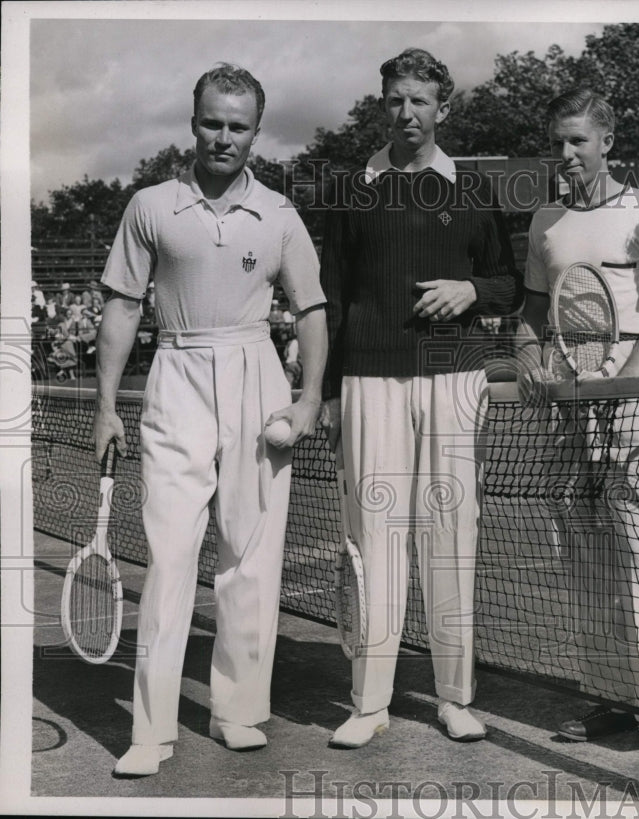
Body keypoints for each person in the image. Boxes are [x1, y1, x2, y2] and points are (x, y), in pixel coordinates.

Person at [92, 63, 328, 777]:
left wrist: (310, 397)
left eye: (238, 125)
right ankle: (151, 726)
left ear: (257, 131)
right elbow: (124, 307)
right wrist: (105, 404)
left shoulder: (282, 214)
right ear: (192, 121)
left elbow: (312, 308)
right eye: (212, 121)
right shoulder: (150, 206)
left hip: (258, 371)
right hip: (178, 371)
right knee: (168, 555)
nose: (223, 136)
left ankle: (237, 710)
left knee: (249, 556)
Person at [318, 47, 521, 749]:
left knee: (450, 539)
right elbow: (333, 300)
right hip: (369, 381)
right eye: (395, 99)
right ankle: (369, 702)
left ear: (442, 108)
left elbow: (508, 283)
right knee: (374, 541)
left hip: (454, 377)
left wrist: (472, 291)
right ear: (384, 104)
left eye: (420, 101)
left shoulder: (471, 189)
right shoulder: (351, 190)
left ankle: (454, 696)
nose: (407, 113)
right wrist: (327, 394)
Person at [516, 88, 639, 764]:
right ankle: (607, 697)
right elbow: (534, 318)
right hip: (569, 409)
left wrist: (626, 384)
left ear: (606, 143)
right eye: (559, 143)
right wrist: (533, 357)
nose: (566, 155)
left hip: (635, 400)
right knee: (585, 558)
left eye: (579, 142)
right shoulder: (546, 221)